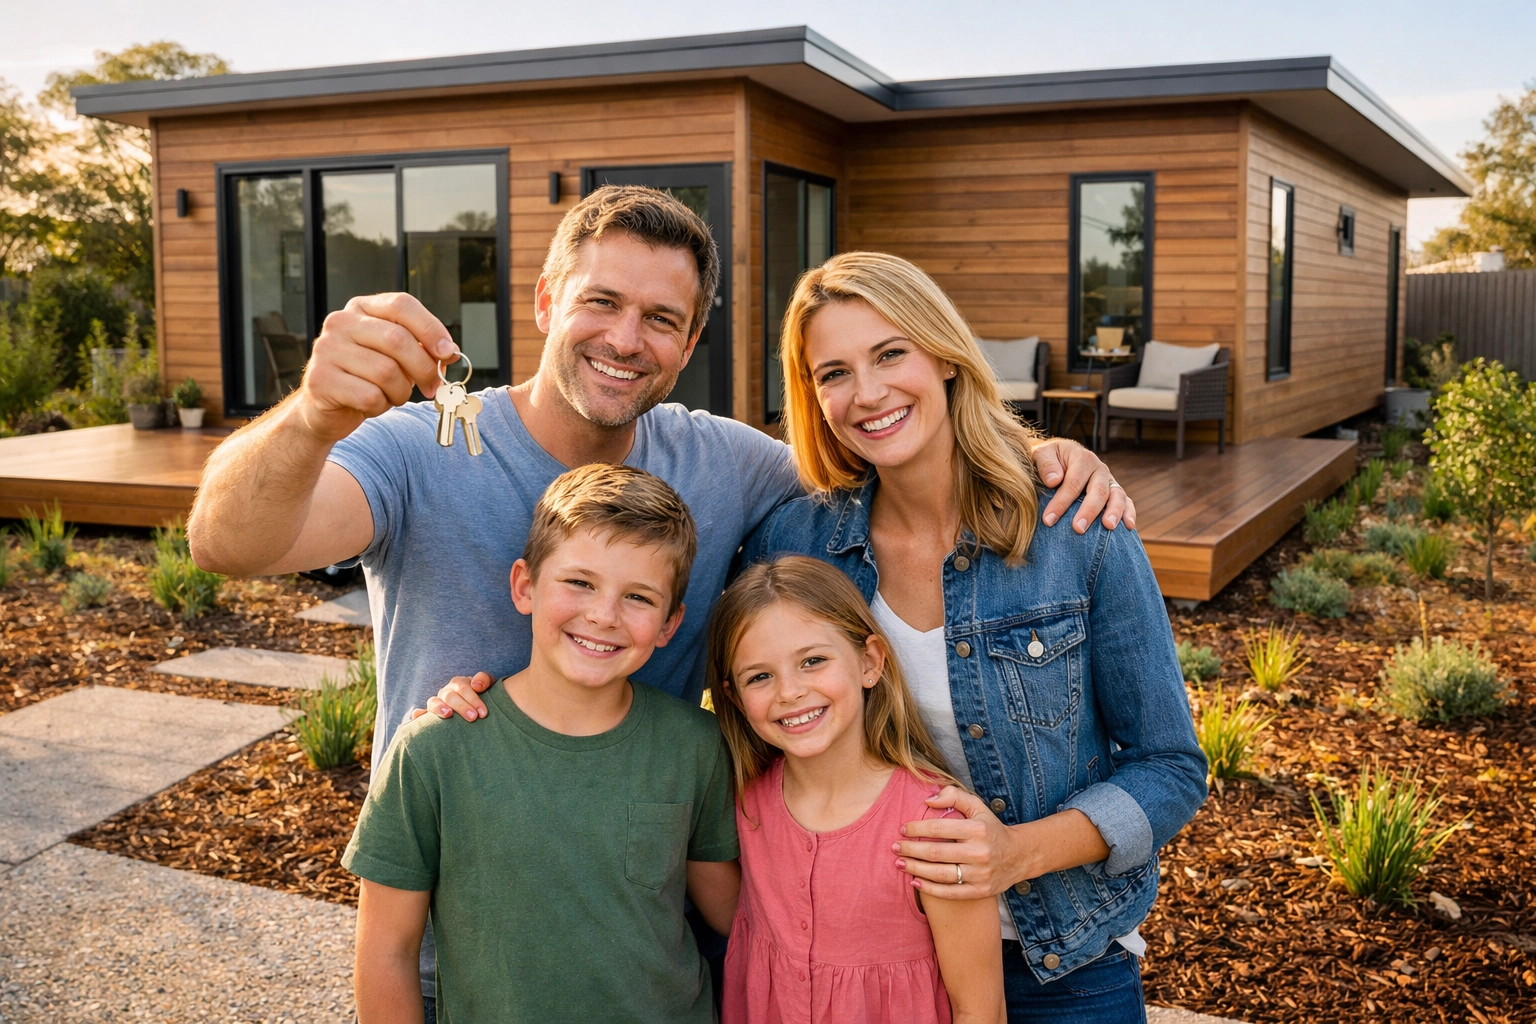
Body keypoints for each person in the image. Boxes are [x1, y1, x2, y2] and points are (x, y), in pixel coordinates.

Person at [188, 185, 1131, 1011]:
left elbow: (880, 453)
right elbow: (227, 542)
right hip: (469, 965)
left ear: (689, 343)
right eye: (601, 301)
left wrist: (1034, 458)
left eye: (662, 318)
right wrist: (313, 416)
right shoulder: (422, 445)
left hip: (647, 957)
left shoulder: (726, 465)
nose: (625, 339)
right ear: (547, 300)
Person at [739, 251, 1207, 1023]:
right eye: (835, 373)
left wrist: (1019, 853)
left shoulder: (1073, 530)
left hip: (1059, 964)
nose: (868, 392)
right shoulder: (796, 544)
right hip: (867, 964)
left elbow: (1171, 767)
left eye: (891, 354)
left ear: (946, 357)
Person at [345, 464, 740, 1024]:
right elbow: (386, 953)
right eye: (579, 583)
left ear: (670, 624)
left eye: (638, 597)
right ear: (525, 586)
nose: (602, 615)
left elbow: (736, 915)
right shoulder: (432, 753)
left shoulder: (695, 746)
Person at [707, 555, 1004, 1024]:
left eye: (813, 661)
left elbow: (980, 1011)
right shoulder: (744, 802)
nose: (789, 692)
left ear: (870, 661)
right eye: (760, 676)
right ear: (735, 697)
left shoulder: (934, 829)